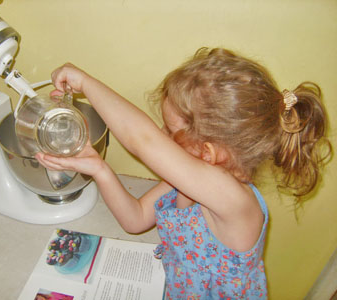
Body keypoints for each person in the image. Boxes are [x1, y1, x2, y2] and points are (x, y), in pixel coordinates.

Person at [35, 47, 331, 299]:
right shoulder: (186, 184)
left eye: (169, 131)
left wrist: (85, 82)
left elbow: (144, 141)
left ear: (208, 153)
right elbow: (135, 219)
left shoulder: (236, 203)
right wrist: (100, 169)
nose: (161, 135)